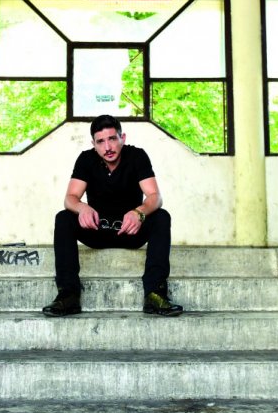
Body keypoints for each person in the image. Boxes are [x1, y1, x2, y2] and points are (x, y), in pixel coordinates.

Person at [43, 114, 183, 317]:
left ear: (122, 138)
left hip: (130, 230)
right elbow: (70, 198)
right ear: (94, 144)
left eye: (112, 139)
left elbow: (155, 197)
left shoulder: (137, 156)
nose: (107, 147)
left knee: (161, 216)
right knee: (63, 217)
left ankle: (155, 293)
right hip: (97, 230)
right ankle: (68, 295)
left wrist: (139, 213)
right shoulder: (86, 159)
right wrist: (82, 208)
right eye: (100, 141)